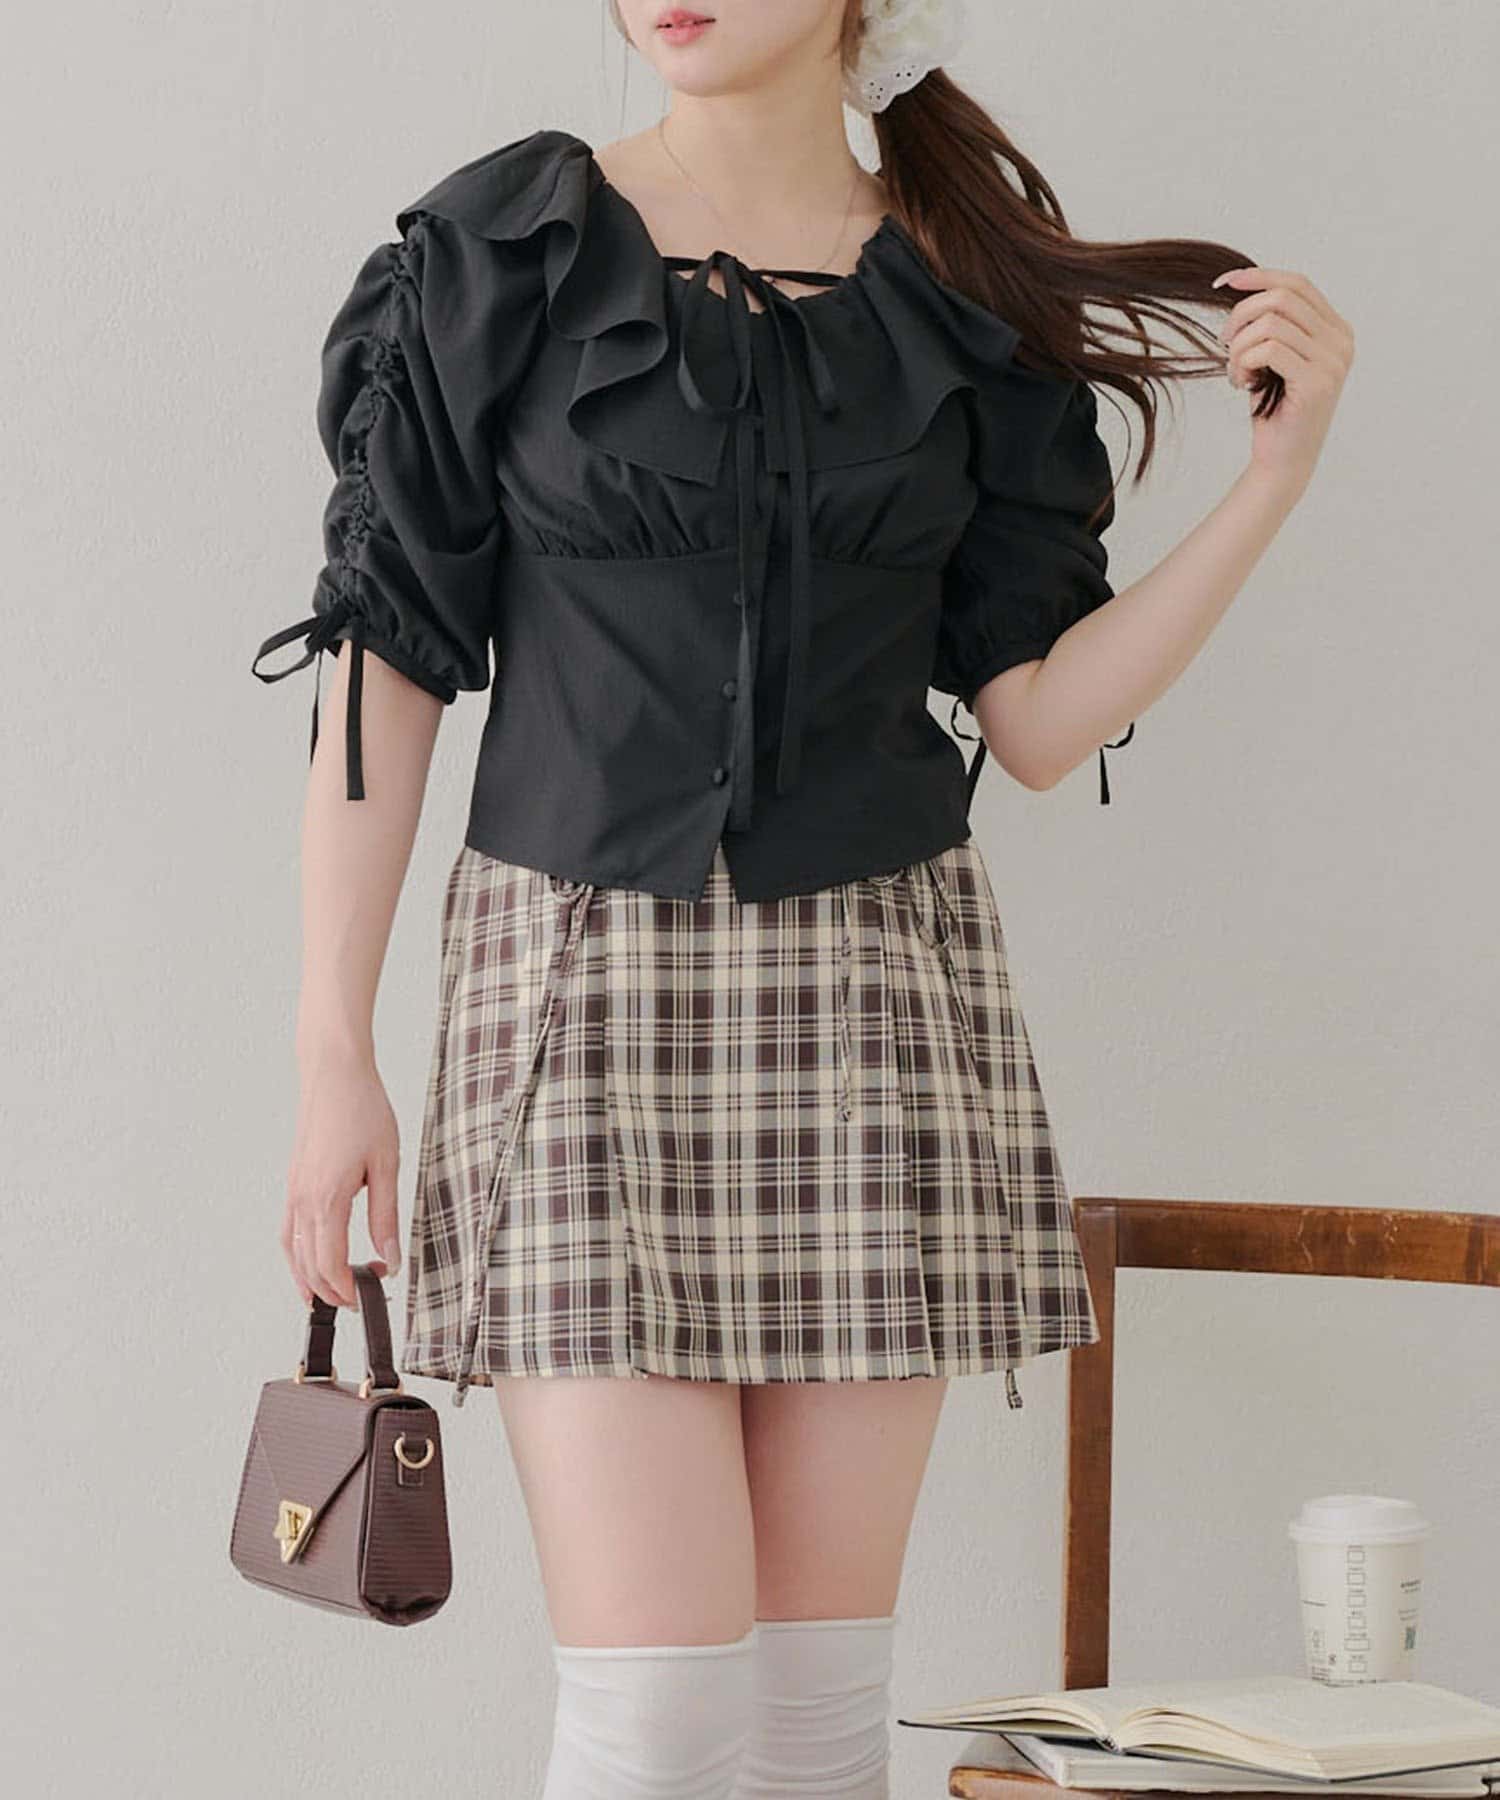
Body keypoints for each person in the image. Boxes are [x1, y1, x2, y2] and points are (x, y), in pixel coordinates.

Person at [251, 2, 1354, 1794]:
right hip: (576, 999)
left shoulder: (961, 285)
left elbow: (1038, 718)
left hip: (875, 1002)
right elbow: (386, 666)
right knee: (658, 1714)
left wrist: (1273, 486)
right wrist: (332, 1052)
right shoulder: (509, 252)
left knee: (817, 1716)